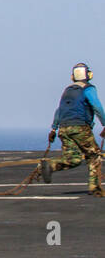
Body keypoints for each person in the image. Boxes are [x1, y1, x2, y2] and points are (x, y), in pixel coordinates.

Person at [42, 62, 105, 196]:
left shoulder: (67, 91)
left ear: (73, 77)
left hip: (64, 129)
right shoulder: (88, 89)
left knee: (73, 159)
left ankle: (51, 166)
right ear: (88, 75)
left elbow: (59, 110)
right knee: (94, 156)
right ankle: (95, 188)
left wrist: (54, 129)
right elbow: (97, 106)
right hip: (80, 127)